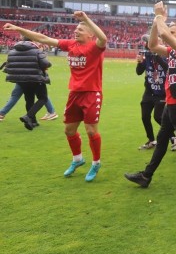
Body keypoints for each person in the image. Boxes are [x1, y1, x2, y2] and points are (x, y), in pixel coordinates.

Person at [4, 12, 108, 181]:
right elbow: (43, 38)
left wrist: (86, 19)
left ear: (90, 34)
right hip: (74, 93)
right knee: (69, 130)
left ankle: (96, 163)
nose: (76, 30)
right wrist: (18, 28)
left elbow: (103, 37)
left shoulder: (96, 47)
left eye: (80, 29)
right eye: (76, 28)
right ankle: (78, 159)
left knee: (90, 131)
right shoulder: (71, 45)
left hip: (91, 93)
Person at [124, 2, 176, 190]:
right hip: (172, 102)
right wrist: (156, 22)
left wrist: (159, 17)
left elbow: (163, 35)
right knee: (162, 141)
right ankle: (146, 176)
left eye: (173, 31)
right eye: (169, 30)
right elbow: (153, 44)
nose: (169, 33)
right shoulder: (172, 51)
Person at [2, 39, 52, 130]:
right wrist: (48, 62)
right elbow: (45, 64)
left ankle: (33, 121)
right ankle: (28, 116)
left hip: (21, 80)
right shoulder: (37, 51)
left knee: (29, 99)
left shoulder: (13, 51)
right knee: (43, 98)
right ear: (32, 40)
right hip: (35, 79)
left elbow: (9, 65)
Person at [135, 36, 168, 150]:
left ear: (161, 43)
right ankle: (151, 140)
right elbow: (139, 72)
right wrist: (140, 62)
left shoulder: (166, 54)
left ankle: (173, 136)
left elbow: (166, 67)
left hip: (162, 92)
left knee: (158, 117)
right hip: (149, 91)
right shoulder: (147, 56)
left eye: (156, 42)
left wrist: (156, 55)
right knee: (145, 117)